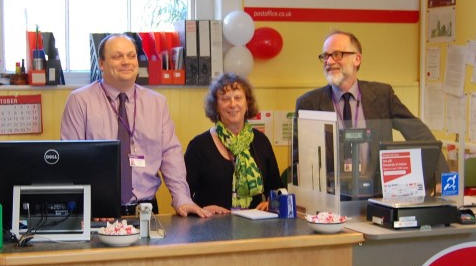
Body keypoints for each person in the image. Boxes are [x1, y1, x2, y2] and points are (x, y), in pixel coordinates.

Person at [60, 33, 211, 218]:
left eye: (131, 56)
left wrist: (182, 198)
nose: (126, 62)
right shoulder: (80, 101)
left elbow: (170, 154)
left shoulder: (157, 103)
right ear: (101, 63)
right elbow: (72, 160)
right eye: (117, 56)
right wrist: (93, 204)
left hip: (146, 211)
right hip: (98, 211)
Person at [295, 30, 449, 194]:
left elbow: (419, 133)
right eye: (325, 56)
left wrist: (441, 176)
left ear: (357, 59)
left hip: (376, 196)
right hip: (330, 198)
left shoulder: (382, 95)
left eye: (337, 54)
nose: (329, 61)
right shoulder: (308, 103)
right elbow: (299, 161)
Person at [185, 72, 284, 214]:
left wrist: (271, 203)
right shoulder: (199, 146)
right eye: (225, 99)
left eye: (238, 98)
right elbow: (182, 194)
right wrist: (199, 209)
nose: (233, 104)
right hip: (210, 227)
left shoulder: (261, 142)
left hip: (255, 229)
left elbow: (276, 188)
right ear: (216, 106)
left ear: (247, 103)